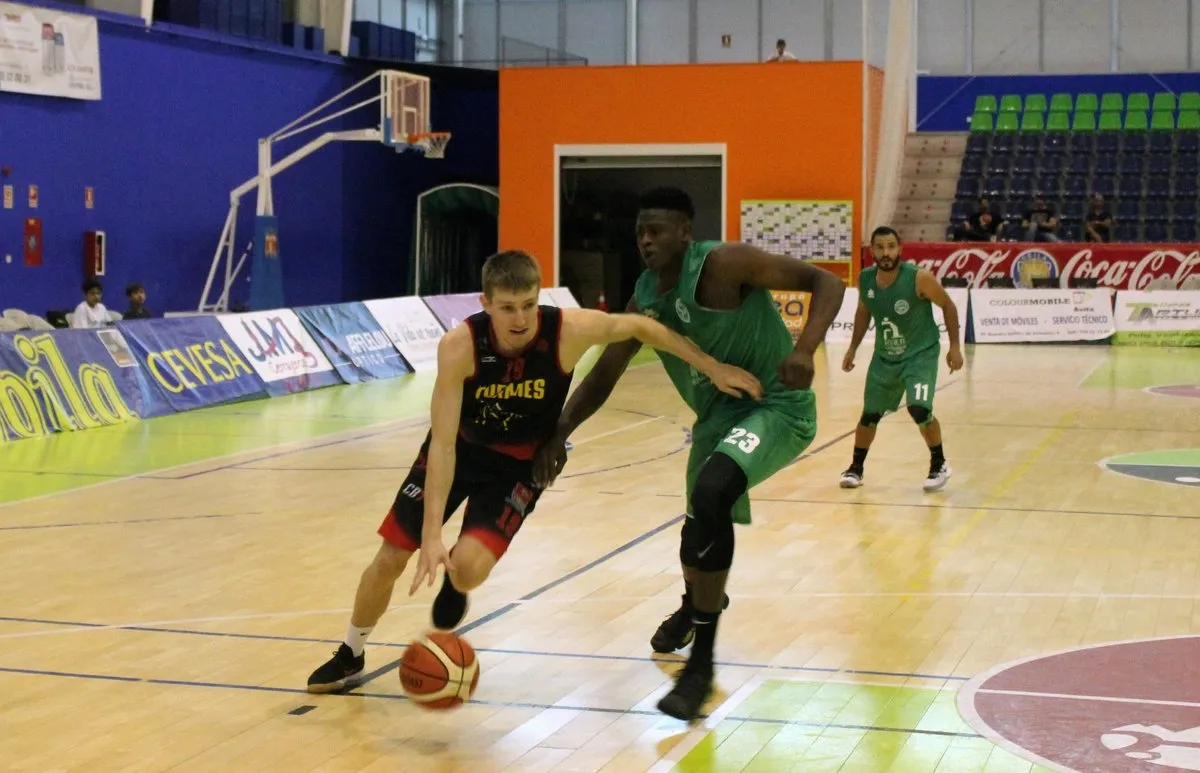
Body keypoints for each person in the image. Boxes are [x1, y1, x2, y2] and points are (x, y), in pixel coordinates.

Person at [306, 249, 762, 694]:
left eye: (528, 305)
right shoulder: (460, 346)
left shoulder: (567, 331)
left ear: (539, 297)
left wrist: (712, 366)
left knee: (466, 570)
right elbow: (442, 445)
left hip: (518, 467)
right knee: (390, 558)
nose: (520, 319)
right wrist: (429, 536)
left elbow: (642, 325)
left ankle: (456, 583)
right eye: (507, 308)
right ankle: (351, 651)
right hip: (460, 451)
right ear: (485, 304)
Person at [532, 187, 846, 721]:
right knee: (695, 531)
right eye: (639, 232)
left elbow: (828, 280)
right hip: (715, 420)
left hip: (777, 406)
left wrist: (804, 349)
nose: (646, 240)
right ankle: (694, 605)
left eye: (656, 230)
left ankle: (700, 668)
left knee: (712, 492)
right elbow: (605, 373)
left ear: (685, 232)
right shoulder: (645, 299)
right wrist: (560, 430)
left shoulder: (725, 264)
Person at [838, 226, 964, 492]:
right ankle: (856, 468)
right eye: (880, 247)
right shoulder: (866, 279)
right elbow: (864, 312)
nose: (886, 252)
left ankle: (939, 463)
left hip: (920, 355)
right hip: (885, 357)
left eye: (891, 246)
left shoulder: (919, 278)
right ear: (872, 250)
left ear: (900, 248)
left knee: (918, 408)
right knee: (869, 415)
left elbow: (948, 306)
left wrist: (954, 347)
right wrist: (852, 348)